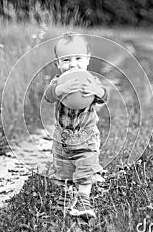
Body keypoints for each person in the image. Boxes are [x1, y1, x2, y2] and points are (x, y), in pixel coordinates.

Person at [44, 32, 108, 219]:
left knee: (86, 165)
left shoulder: (90, 80)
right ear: (58, 64)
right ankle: (69, 194)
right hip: (63, 138)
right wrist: (59, 90)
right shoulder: (58, 81)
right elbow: (48, 96)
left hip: (86, 136)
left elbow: (104, 97)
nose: (72, 64)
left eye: (78, 58)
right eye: (66, 60)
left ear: (87, 59)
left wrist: (97, 91)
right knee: (64, 170)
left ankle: (84, 200)